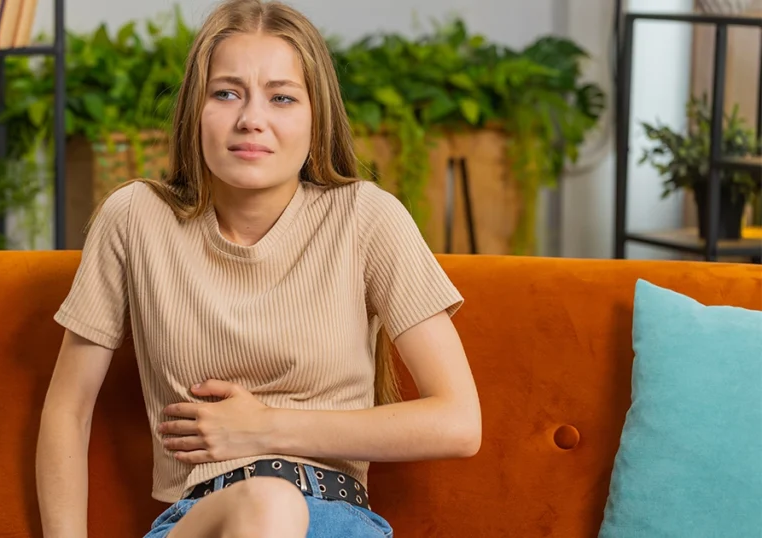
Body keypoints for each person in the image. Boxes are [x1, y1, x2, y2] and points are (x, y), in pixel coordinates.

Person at [35, 0, 481, 536]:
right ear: (193, 110)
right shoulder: (134, 218)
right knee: (268, 505)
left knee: (275, 505)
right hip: (204, 519)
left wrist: (266, 427)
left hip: (342, 520)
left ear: (316, 118)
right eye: (226, 93)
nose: (252, 119)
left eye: (282, 97)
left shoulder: (366, 217)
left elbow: (458, 423)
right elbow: (68, 410)